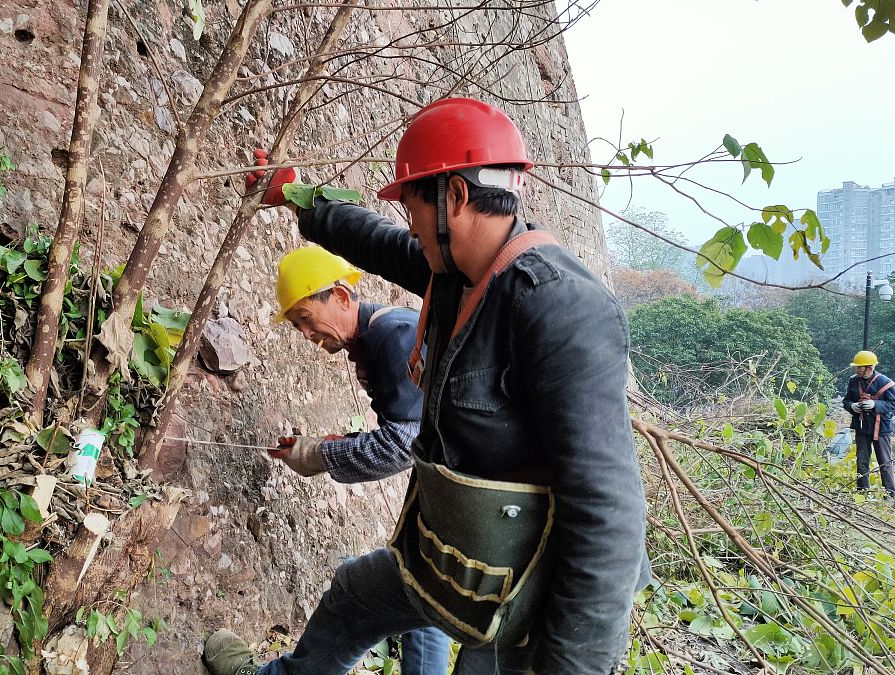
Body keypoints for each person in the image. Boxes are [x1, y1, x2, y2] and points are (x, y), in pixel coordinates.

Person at [204, 97, 649, 675]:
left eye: (412, 209)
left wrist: (570, 664)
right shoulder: (455, 271)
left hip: (530, 599)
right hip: (460, 558)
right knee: (354, 596)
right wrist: (295, 195)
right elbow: (375, 241)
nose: (410, 228)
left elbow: (608, 508)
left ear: (454, 199)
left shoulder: (560, 308)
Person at [268, 244, 451, 674]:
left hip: (451, 496)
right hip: (452, 503)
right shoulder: (377, 337)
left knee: (359, 592)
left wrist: (317, 454)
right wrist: (340, 443)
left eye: (307, 320)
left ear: (342, 297)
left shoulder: (392, 335)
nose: (307, 336)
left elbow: (401, 444)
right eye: (297, 327)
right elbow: (410, 425)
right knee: (426, 607)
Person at [843, 350, 895, 494]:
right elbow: (846, 401)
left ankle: (890, 493)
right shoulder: (854, 381)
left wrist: (876, 405)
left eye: (859, 367)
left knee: (885, 462)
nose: (856, 370)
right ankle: (862, 492)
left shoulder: (885, 382)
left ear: (870, 368)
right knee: (861, 461)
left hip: (881, 428)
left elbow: (894, 403)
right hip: (862, 426)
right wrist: (852, 406)